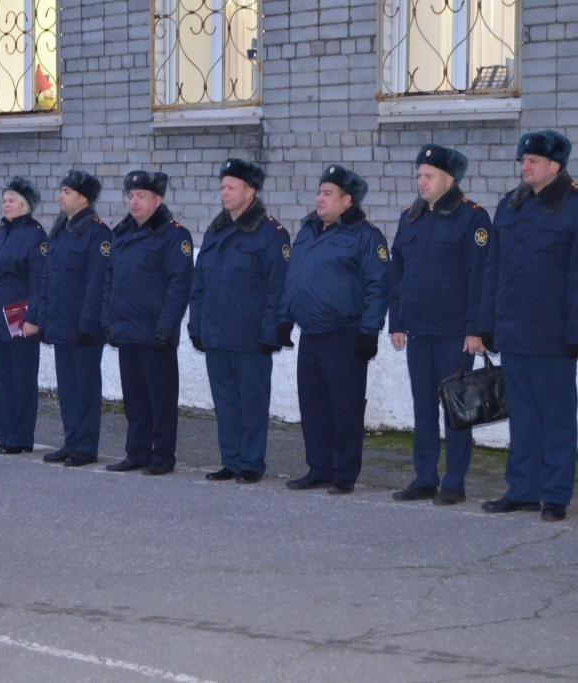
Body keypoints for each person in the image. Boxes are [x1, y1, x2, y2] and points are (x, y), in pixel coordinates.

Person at [479, 130, 578, 523]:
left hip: (554, 335)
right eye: (523, 160)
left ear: (554, 166)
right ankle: (522, 489)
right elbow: (494, 269)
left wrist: (575, 332)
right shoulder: (510, 205)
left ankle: (554, 495)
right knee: (521, 415)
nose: (525, 167)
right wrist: (487, 322)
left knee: (555, 417)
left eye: (533, 161)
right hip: (515, 331)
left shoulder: (572, 206)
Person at [388, 144, 491, 506]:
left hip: (455, 334)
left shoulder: (472, 218)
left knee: (457, 409)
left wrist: (475, 330)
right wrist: (396, 321)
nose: (421, 182)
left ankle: (454, 482)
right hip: (418, 331)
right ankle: (424, 477)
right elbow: (397, 271)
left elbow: (479, 277)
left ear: (449, 179)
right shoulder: (410, 218)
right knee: (423, 408)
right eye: (419, 175)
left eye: (428, 176)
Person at [279, 165, 390, 495]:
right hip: (311, 334)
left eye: (328, 194)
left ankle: (344, 472)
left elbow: (378, 285)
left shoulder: (365, 236)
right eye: (319, 192)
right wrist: (284, 318)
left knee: (345, 407)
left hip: (345, 334)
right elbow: (293, 278)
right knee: (313, 405)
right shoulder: (307, 232)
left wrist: (370, 330)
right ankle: (318, 467)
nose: (320, 199)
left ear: (347, 201)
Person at [188, 159, 290, 484]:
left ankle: (251, 463)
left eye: (231, 187)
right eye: (222, 186)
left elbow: (279, 287)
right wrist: (196, 325)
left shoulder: (271, 233)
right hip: (217, 334)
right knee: (225, 402)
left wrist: (271, 332)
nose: (224, 192)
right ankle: (230, 460)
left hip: (250, 337)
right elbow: (199, 283)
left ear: (250, 191)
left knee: (252, 402)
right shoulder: (216, 230)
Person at [101, 170, 194, 476]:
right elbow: (111, 281)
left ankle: (163, 455)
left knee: (161, 400)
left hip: (156, 333)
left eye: (141, 196)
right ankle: (137, 452)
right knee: (135, 400)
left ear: (157, 200)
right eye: (131, 196)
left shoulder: (173, 235)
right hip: (128, 331)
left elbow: (178, 287)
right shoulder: (122, 235)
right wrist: (110, 323)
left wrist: (166, 328)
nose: (134, 202)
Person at [39, 169, 112, 467]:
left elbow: (97, 283)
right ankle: (71, 440)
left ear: (83, 198)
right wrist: (46, 319)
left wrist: (88, 324)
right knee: (67, 387)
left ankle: (86, 445)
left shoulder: (97, 233)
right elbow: (50, 279)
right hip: (61, 323)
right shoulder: (60, 231)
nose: (61, 196)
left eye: (67, 192)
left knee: (85, 387)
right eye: (61, 191)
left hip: (84, 328)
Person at [0, 177, 47, 454]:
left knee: (21, 379)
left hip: (19, 317)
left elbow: (39, 281)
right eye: (4, 199)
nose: (6, 204)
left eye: (12, 200)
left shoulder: (34, 235)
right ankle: (3, 435)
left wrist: (34, 318)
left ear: (25, 205)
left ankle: (20, 438)